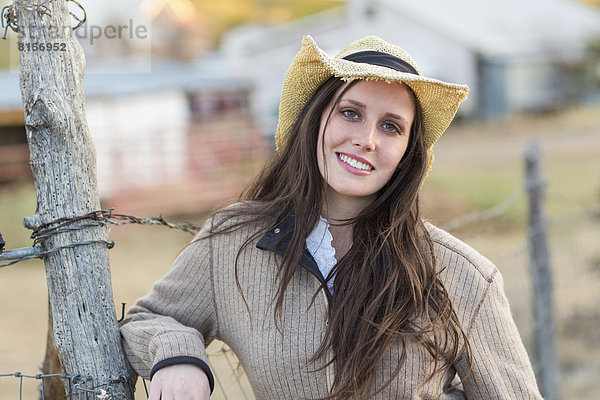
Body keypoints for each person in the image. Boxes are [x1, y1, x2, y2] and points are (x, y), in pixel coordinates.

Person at [120, 35, 543, 399]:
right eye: (351, 112)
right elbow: (149, 319)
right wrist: (177, 354)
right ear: (316, 117)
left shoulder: (463, 276)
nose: (367, 140)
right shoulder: (234, 241)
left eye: (392, 127)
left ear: (407, 153)